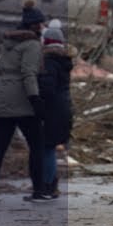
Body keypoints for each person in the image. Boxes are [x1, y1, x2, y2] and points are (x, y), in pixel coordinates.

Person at [0, 0, 48, 204]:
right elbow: (29, 74)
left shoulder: (8, 44)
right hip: (22, 101)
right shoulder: (32, 45)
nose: (43, 27)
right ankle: (38, 191)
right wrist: (35, 99)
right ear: (35, 25)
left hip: (2, 97)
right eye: (41, 24)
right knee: (36, 145)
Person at [36, 21, 74, 198]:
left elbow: (48, 89)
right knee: (49, 147)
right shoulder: (64, 62)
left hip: (52, 110)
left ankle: (47, 186)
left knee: (47, 148)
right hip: (63, 108)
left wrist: (38, 101)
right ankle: (50, 184)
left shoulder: (50, 62)